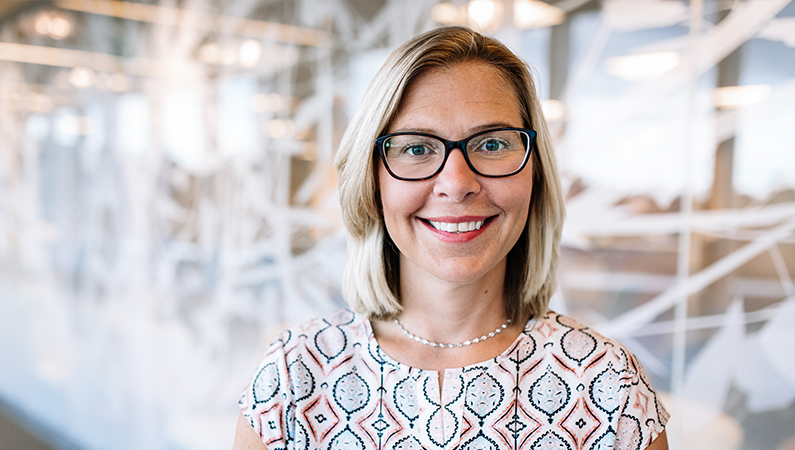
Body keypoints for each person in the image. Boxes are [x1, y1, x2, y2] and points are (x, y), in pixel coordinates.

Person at [233, 26, 669, 450]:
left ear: (535, 173)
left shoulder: (607, 385)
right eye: (417, 148)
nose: (456, 183)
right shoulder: (295, 375)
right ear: (372, 180)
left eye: (493, 144)